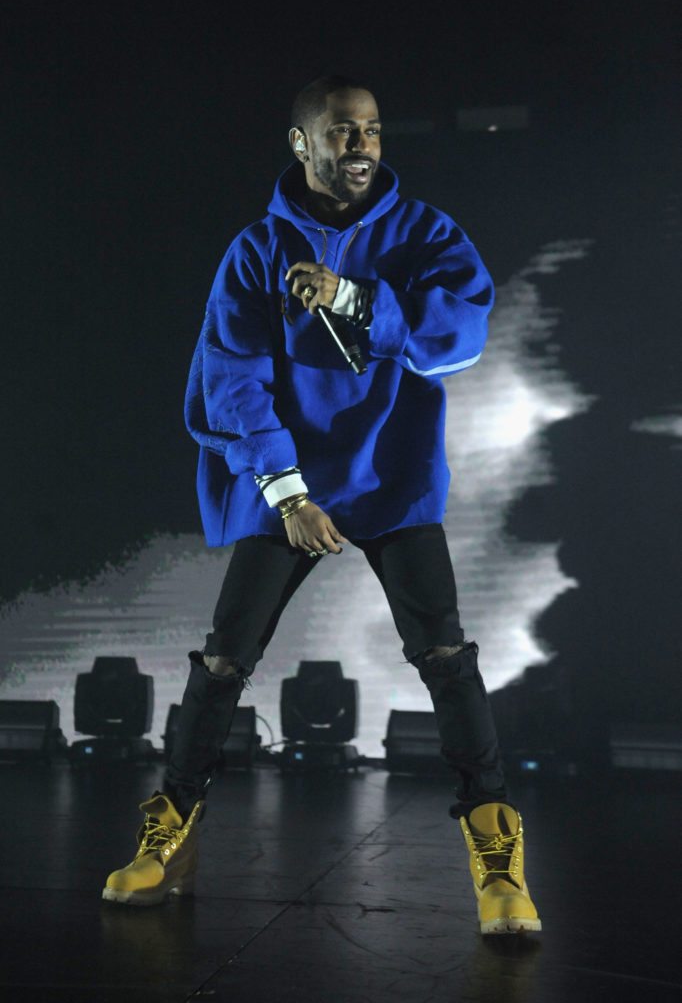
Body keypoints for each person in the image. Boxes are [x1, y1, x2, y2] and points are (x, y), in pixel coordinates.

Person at [103, 75, 541, 935]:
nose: (363, 147)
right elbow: (230, 383)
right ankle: (169, 831)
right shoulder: (256, 250)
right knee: (225, 659)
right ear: (303, 144)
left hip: (391, 477)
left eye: (372, 131)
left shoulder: (423, 232)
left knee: (445, 655)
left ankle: (496, 850)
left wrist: (353, 300)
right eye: (343, 133)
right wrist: (289, 492)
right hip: (292, 483)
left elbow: (463, 330)